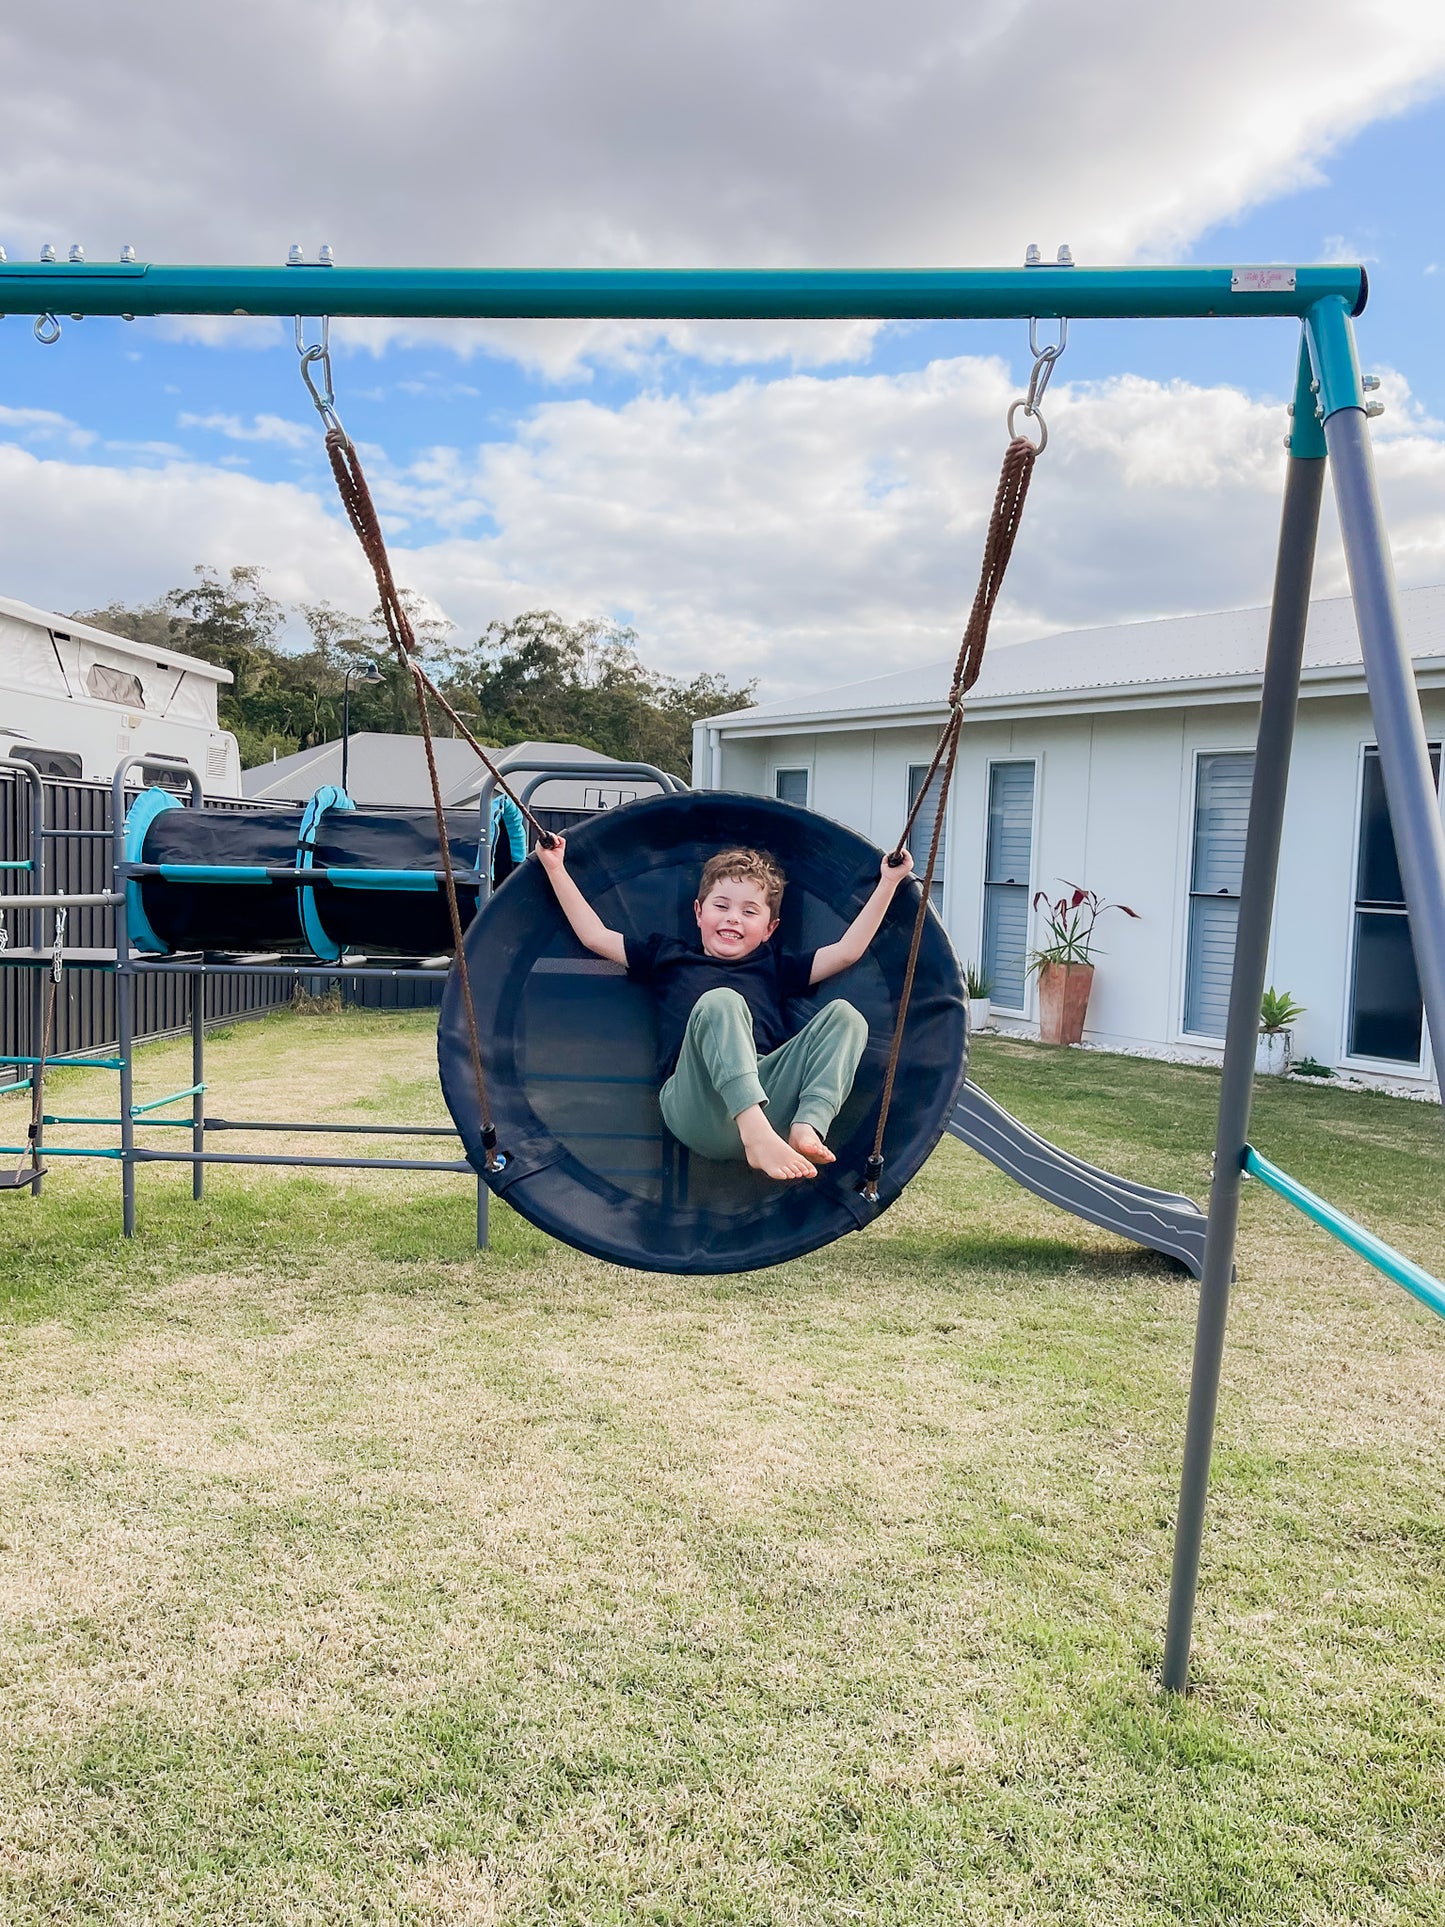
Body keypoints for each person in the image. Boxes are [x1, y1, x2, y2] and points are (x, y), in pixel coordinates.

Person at [536, 838, 915, 1182]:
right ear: (699, 912)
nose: (734, 917)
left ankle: (808, 1127)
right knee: (721, 1001)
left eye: (750, 911)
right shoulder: (668, 956)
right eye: (722, 906)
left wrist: (888, 883)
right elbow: (594, 935)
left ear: (770, 928)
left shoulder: (775, 965)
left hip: (768, 1099)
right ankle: (754, 1132)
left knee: (845, 1017)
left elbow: (847, 951)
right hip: (695, 1103)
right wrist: (555, 868)